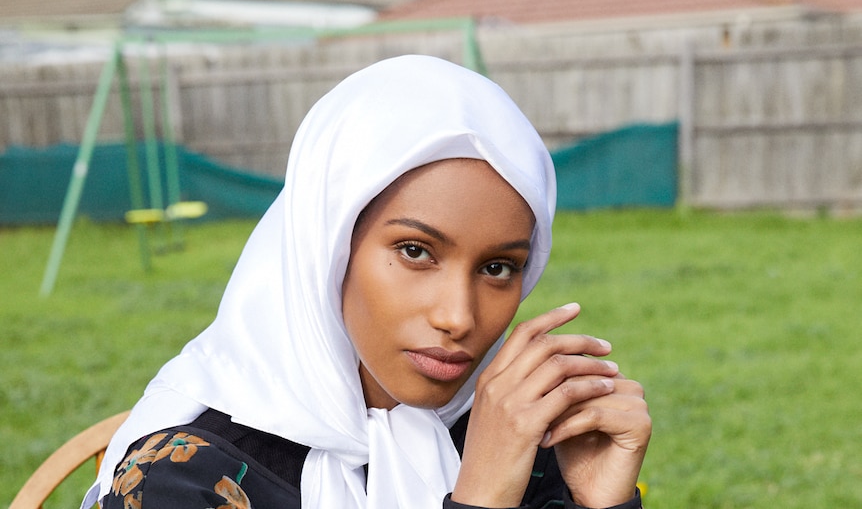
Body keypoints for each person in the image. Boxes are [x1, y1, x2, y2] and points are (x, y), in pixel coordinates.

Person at [83, 55, 651, 509]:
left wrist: (604, 502)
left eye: (498, 268)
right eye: (415, 251)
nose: (459, 317)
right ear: (329, 244)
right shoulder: (180, 478)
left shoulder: (521, 434)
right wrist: (478, 499)